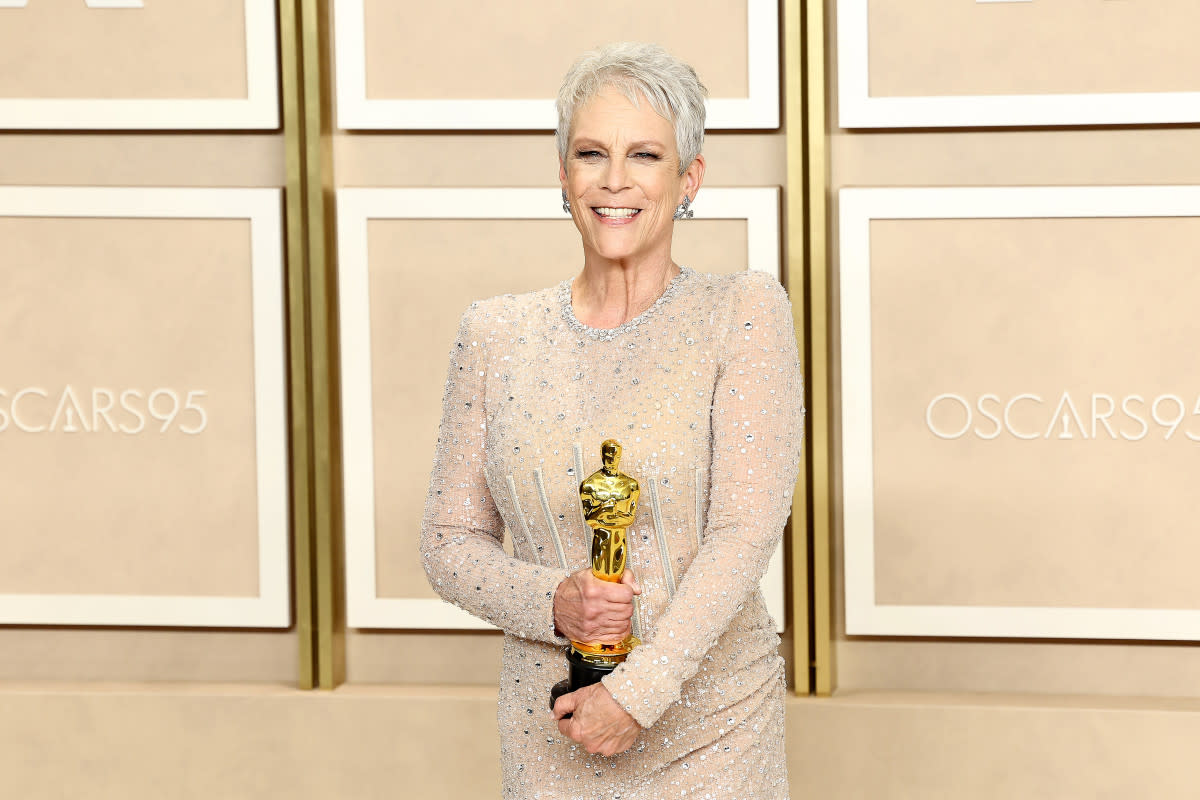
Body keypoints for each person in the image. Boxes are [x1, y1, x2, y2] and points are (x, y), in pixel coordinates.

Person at [419, 41, 805, 799]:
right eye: (591, 153)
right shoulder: (495, 334)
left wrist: (640, 692)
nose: (615, 180)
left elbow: (746, 529)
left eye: (646, 156)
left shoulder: (744, 312)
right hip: (552, 725)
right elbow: (447, 542)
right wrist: (552, 603)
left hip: (713, 727)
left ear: (689, 178)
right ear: (563, 176)